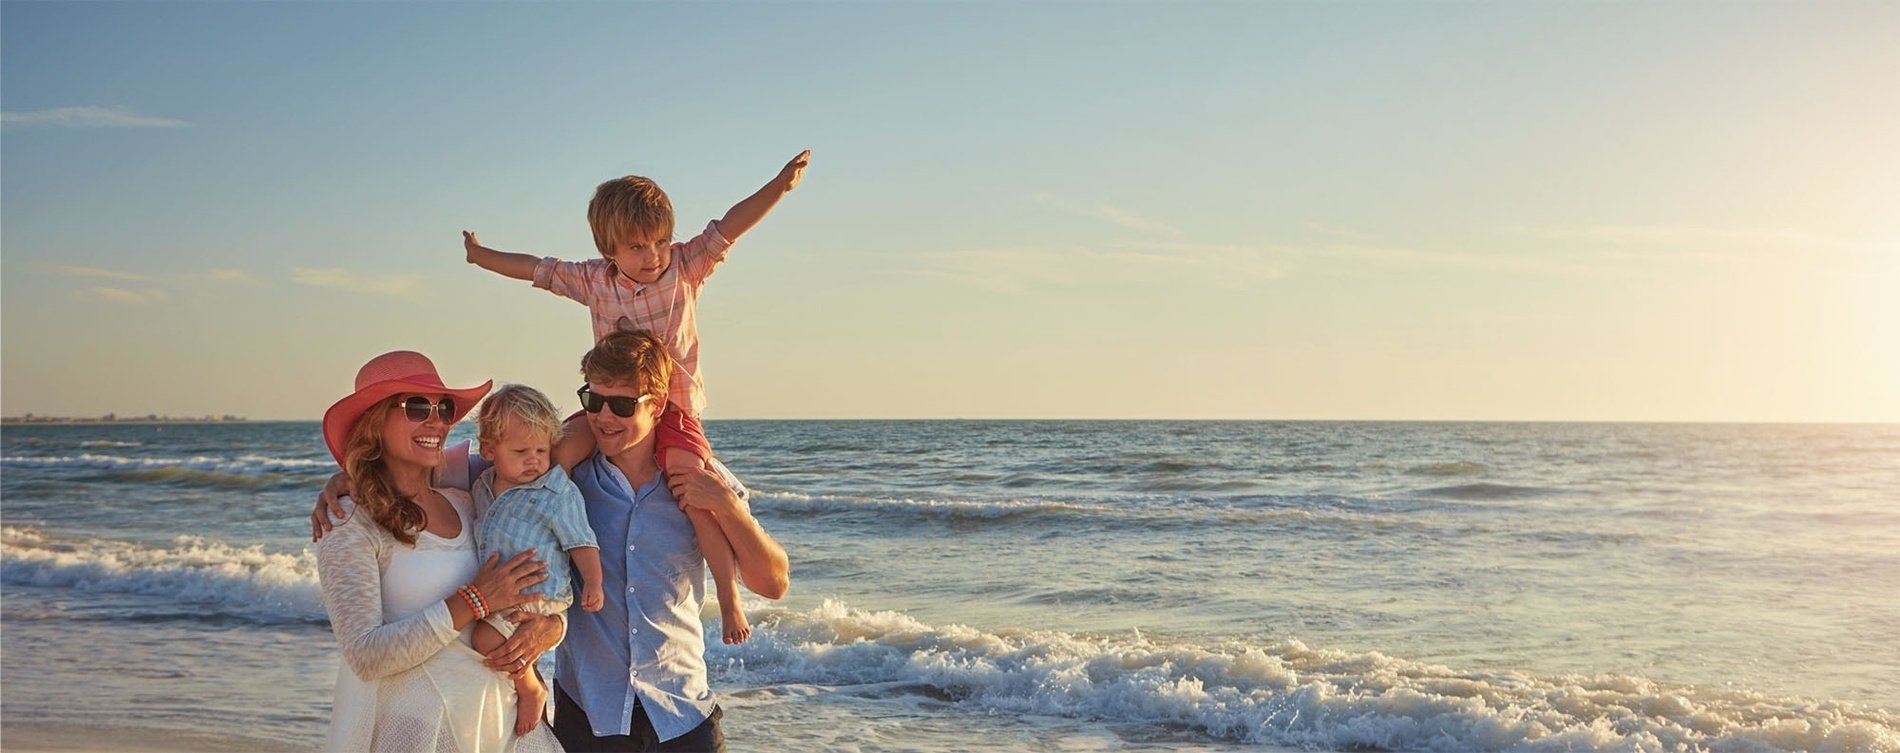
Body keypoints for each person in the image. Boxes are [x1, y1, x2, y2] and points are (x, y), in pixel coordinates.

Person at [313, 330, 791, 752]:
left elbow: (771, 583)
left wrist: (727, 505)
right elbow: (417, 464)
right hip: (589, 719)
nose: (604, 416)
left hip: (683, 712)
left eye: (622, 405)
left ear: (658, 406)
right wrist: (347, 477)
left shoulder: (698, 478)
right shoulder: (547, 474)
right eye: (593, 400)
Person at [460, 149, 809, 644]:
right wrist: (481, 256)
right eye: (639, 247)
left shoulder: (685, 266)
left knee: (697, 499)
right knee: (551, 457)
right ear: (610, 250)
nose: (654, 257)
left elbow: (731, 225)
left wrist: (778, 186)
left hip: (678, 409)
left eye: (661, 241)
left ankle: (729, 603)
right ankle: (531, 576)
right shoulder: (593, 282)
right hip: (613, 399)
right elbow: (535, 268)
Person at [313, 350, 562, 752]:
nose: (437, 421)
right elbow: (365, 656)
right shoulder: (348, 522)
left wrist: (552, 628)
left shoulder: (467, 498)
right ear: (374, 423)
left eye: (443, 408)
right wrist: (473, 600)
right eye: (416, 407)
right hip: (415, 735)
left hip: (499, 725)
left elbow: (549, 446)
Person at [470, 384, 607, 737]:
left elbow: (581, 540)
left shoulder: (555, 492)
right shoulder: (480, 484)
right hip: (499, 597)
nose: (534, 460)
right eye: (520, 451)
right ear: (488, 450)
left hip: (537, 596)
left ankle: (531, 688)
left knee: (484, 639)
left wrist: (593, 582)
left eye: (541, 450)